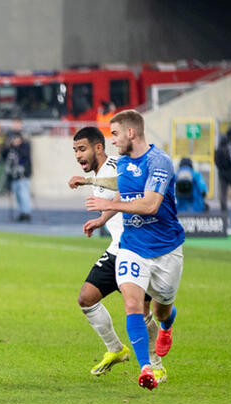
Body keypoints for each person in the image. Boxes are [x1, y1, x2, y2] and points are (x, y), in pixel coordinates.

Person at [84, 110, 184, 390]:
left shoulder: (159, 161)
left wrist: (109, 207)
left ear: (131, 133)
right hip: (132, 247)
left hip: (166, 249)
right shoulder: (125, 163)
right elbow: (122, 192)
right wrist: (102, 219)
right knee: (133, 306)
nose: (112, 141)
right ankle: (146, 368)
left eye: (115, 134)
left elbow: (151, 205)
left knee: (161, 310)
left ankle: (167, 324)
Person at [67, 127, 165, 383]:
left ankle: (156, 364)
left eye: (82, 149)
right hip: (117, 249)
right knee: (87, 298)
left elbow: (124, 187)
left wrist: (87, 181)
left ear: (99, 147)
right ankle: (115, 349)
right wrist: (101, 220)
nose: (78, 155)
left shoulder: (114, 167)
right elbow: (119, 197)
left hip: (137, 251)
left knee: (144, 313)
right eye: (75, 150)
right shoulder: (101, 171)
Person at [4, 133, 32, 222]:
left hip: (23, 175)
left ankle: (26, 213)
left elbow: (25, 156)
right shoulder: (11, 149)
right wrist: (8, 147)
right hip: (14, 175)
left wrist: (16, 148)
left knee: (24, 194)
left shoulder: (25, 146)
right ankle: (21, 212)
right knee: (18, 196)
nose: (15, 141)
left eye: (17, 139)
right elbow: (3, 155)